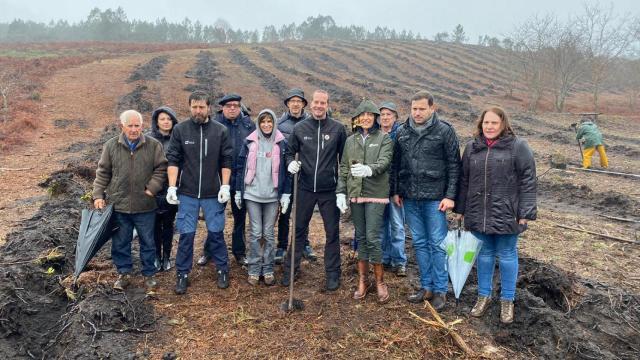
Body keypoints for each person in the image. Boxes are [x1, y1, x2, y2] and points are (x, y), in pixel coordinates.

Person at [454, 107, 537, 324]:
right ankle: (484, 296)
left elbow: (528, 180)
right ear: (480, 124)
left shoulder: (518, 147)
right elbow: (464, 180)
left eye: (494, 123)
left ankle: (507, 300)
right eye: (486, 123)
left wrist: (525, 212)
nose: (489, 127)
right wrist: (461, 209)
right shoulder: (472, 147)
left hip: (507, 212)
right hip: (478, 211)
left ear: (503, 124)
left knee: (508, 254)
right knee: (484, 254)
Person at [390, 90, 461, 310]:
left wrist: (450, 196)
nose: (418, 113)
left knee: (438, 244)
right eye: (414, 108)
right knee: (419, 242)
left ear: (432, 108)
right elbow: (396, 165)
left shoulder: (444, 131)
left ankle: (440, 290)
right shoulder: (402, 132)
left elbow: (454, 165)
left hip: (435, 198)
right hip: (410, 196)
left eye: (422, 108)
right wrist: (396, 190)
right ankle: (426, 286)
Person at [92, 110, 167, 294]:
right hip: (119, 204)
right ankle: (124, 273)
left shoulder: (153, 145)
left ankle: (149, 274)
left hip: (145, 205)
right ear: (122, 126)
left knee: (148, 241)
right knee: (120, 241)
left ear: (142, 126)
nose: (134, 129)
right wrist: (98, 195)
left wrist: (152, 188)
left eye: (137, 126)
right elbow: (103, 172)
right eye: (130, 126)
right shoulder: (111, 146)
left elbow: (161, 168)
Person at [166, 91, 233, 294]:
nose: (198, 110)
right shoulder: (180, 130)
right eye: (194, 107)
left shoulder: (220, 131)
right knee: (186, 235)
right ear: (189, 107)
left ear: (209, 108)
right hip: (187, 192)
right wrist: (171, 186)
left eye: (201, 107)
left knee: (216, 232)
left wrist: (225, 185)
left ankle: (222, 269)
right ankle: (182, 273)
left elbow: (226, 160)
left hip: (213, 192)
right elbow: (173, 159)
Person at [283, 89, 347, 291]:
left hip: (329, 189)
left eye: (323, 103)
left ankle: (333, 274)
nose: (319, 106)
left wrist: (342, 189)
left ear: (328, 105)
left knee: (332, 232)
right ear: (310, 104)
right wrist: (289, 165)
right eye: (316, 102)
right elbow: (289, 152)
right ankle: (291, 269)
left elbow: (343, 160)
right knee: (299, 229)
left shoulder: (338, 129)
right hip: (305, 187)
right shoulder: (301, 128)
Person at [336, 99, 393, 303]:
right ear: (357, 119)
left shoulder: (384, 138)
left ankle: (380, 281)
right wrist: (340, 192)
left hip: (376, 193)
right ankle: (363, 279)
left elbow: (385, 161)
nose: (366, 118)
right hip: (355, 193)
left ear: (375, 118)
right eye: (363, 115)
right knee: (360, 236)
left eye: (370, 115)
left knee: (372, 236)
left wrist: (370, 169)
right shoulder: (351, 141)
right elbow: (343, 167)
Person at [195, 93, 256, 269]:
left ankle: (239, 252)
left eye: (235, 105)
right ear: (222, 107)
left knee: (239, 217)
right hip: (218, 178)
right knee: (215, 216)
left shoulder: (248, 125)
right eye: (228, 105)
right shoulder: (213, 124)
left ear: (240, 107)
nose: (232, 108)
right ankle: (209, 250)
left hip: (240, 178)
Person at [235, 109, 292, 286]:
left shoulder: (281, 143)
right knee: (255, 232)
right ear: (258, 124)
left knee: (268, 233)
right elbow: (240, 167)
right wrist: (238, 191)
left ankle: (267, 269)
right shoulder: (250, 142)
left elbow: (286, 171)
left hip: (272, 195)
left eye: (269, 122)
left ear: (274, 123)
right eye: (263, 122)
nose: (266, 125)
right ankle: (253, 268)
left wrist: (286, 193)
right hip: (252, 194)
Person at [275, 88, 315, 264]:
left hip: (305, 175)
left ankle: (303, 244)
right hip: (286, 175)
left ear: (304, 104)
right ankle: (282, 245)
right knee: (284, 211)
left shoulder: (311, 123)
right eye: (292, 101)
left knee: (303, 212)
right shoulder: (279, 124)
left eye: (299, 101)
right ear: (288, 104)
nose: (296, 104)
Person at [378, 101, 407, 277]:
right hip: (379, 189)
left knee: (397, 226)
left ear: (395, 117)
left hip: (395, 189)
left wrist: (398, 190)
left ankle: (399, 261)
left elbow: (400, 165)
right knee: (381, 226)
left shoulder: (401, 135)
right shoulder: (375, 135)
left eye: (389, 114)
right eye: (382, 114)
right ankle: (385, 258)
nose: (385, 117)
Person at [149, 106, 179, 271]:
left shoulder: (178, 139)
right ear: (157, 122)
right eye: (162, 119)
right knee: (153, 225)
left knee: (168, 224)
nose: (166, 122)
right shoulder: (148, 139)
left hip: (172, 189)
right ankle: (155, 256)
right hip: (152, 189)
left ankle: (167, 256)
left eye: (169, 119)